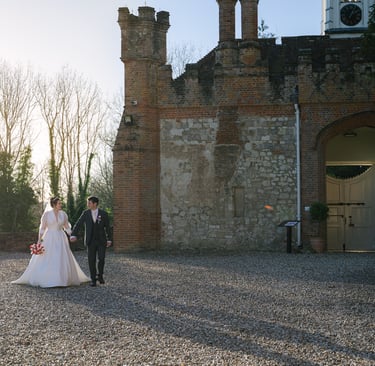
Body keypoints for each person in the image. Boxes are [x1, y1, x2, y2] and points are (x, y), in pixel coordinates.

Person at [12, 197, 91, 288]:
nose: (61, 205)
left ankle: (62, 279)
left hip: (61, 237)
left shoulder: (63, 214)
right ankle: (49, 279)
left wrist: (71, 235)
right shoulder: (47, 214)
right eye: (59, 203)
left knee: (61, 256)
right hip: (49, 237)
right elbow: (42, 228)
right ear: (53, 205)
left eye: (61, 203)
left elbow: (66, 227)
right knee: (49, 256)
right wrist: (39, 240)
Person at [70, 196, 112, 287]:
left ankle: (100, 275)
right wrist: (73, 234)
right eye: (87, 203)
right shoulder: (86, 213)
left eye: (89, 203)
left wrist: (109, 239)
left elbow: (108, 227)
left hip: (101, 240)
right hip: (90, 241)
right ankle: (93, 279)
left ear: (95, 204)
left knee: (101, 259)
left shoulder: (103, 214)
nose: (87, 204)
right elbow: (78, 224)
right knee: (91, 260)